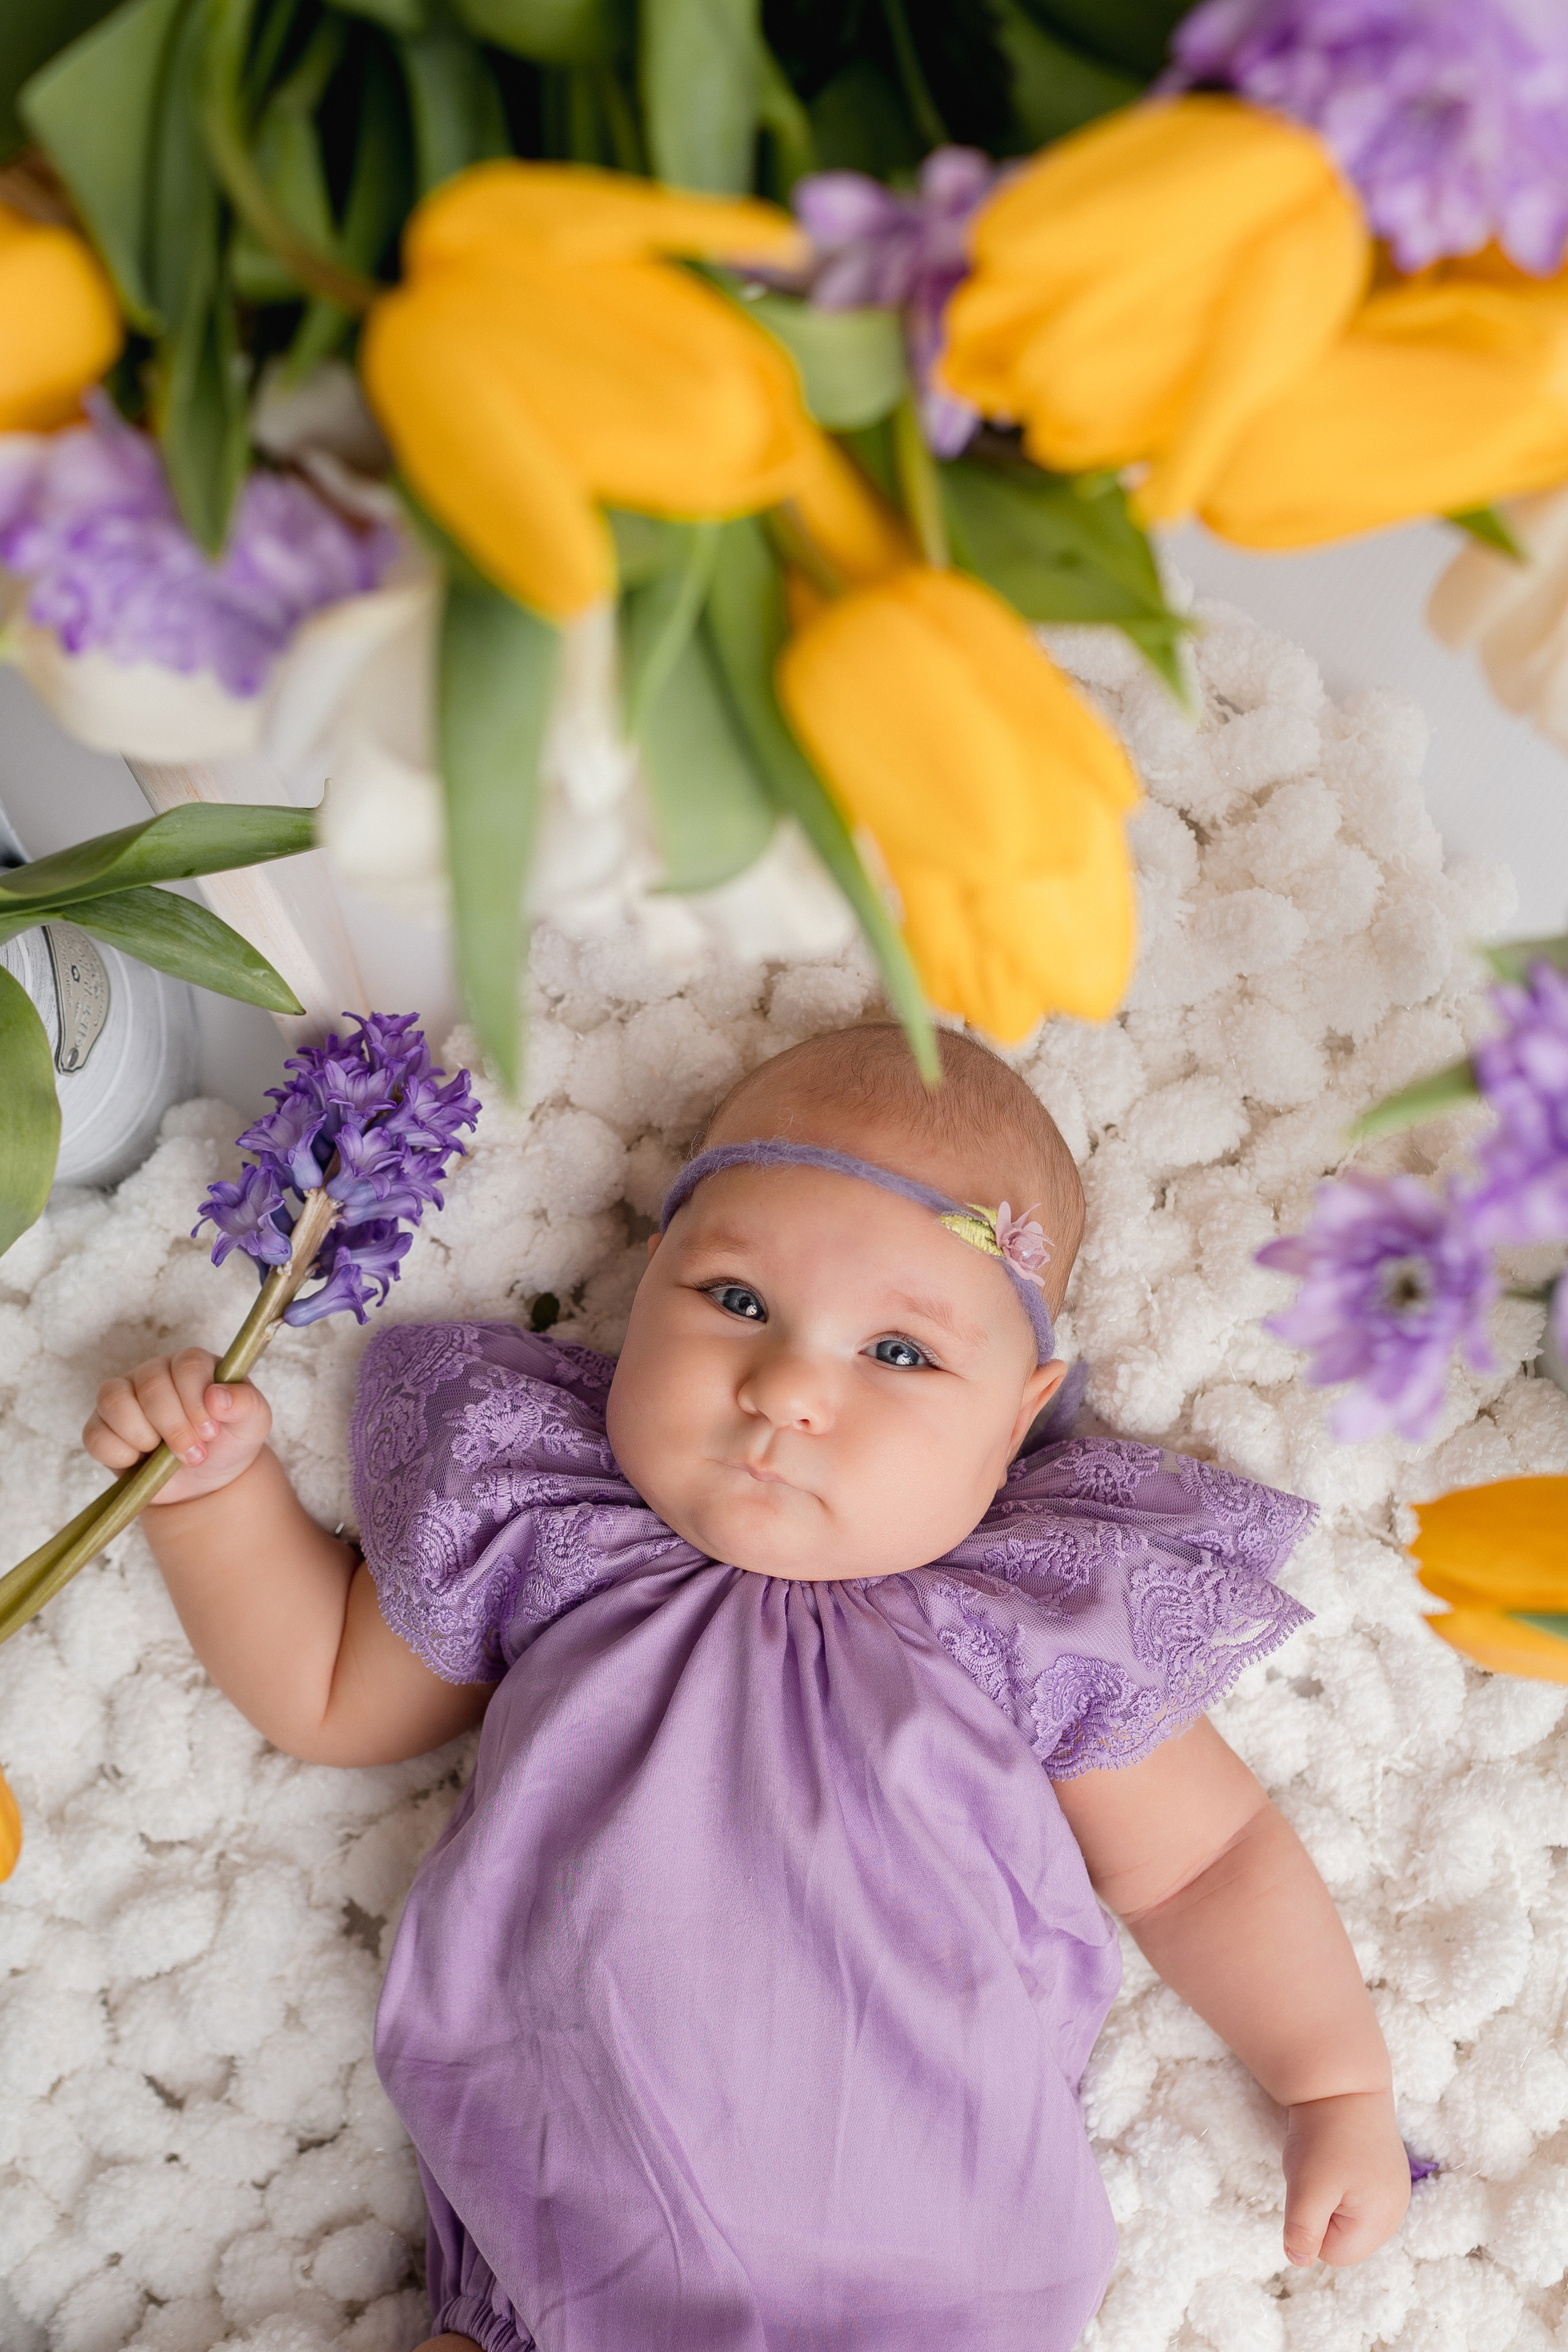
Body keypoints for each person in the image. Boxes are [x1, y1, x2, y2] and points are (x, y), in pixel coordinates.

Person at [85, 1024, 1412, 2352]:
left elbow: (1204, 1865)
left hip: (929, 2289)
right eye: (734, 1301)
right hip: (561, 2264)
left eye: (897, 1354)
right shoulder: (553, 1535)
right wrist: (210, 1499)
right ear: (646, 1279)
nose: (784, 1391)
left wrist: (1330, 2083)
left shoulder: (1025, 1624)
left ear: (1016, 1415)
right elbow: (330, 1691)